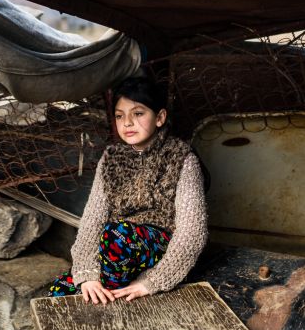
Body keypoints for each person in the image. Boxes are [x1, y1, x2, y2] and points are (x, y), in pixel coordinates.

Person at [48, 76, 208, 303]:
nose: (127, 123)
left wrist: (153, 280)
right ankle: (107, 291)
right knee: (57, 292)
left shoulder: (181, 158)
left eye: (138, 113)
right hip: (116, 254)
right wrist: (86, 273)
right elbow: (93, 218)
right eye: (119, 116)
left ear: (160, 118)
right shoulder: (111, 158)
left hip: (160, 250)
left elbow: (192, 232)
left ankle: (108, 301)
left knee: (118, 234)